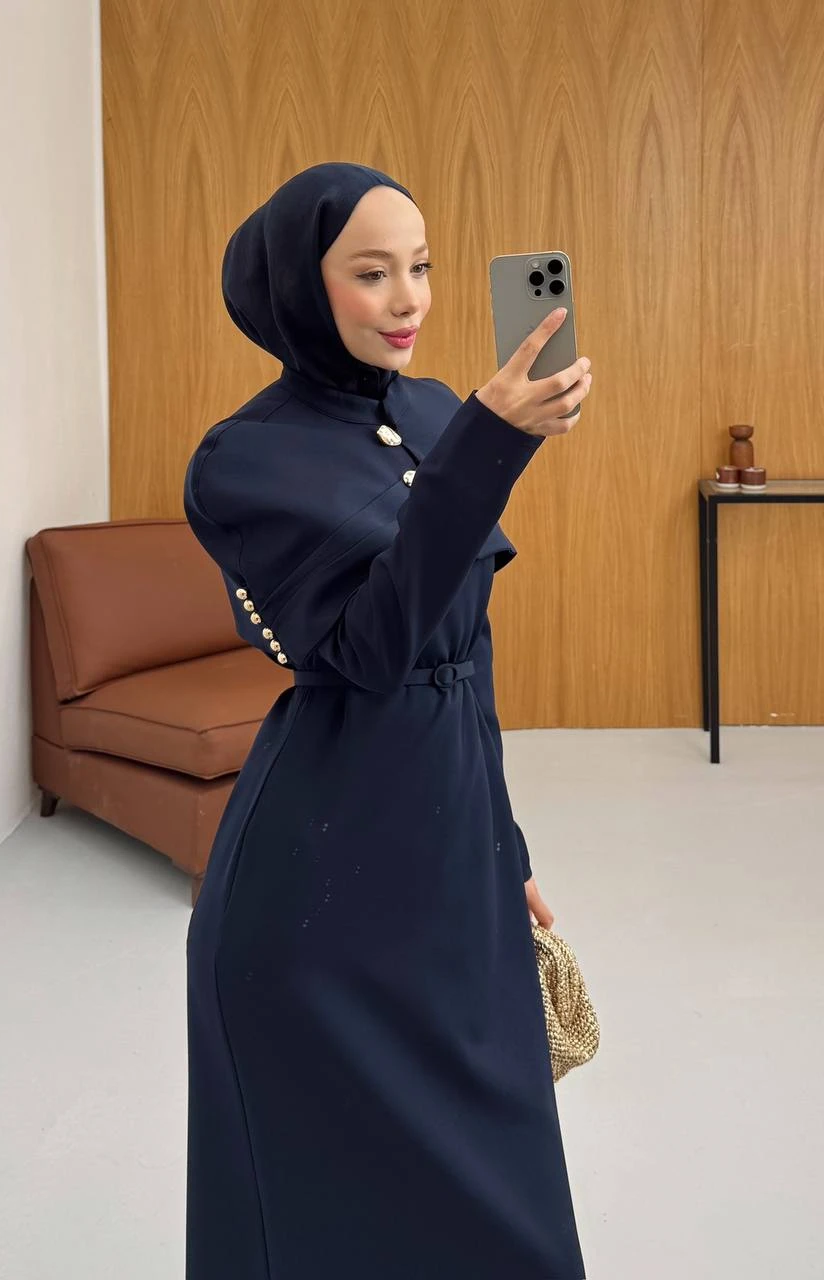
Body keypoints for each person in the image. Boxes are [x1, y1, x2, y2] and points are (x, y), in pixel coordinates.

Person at [182, 161, 592, 1279]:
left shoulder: (437, 408)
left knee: (503, 1177)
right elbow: (368, 651)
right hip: (320, 883)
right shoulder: (242, 457)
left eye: (420, 266)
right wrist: (491, 446)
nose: (409, 299)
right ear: (299, 286)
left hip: (453, 838)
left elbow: (467, 656)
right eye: (371, 273)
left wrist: (505, 842)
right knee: (324, 1202)